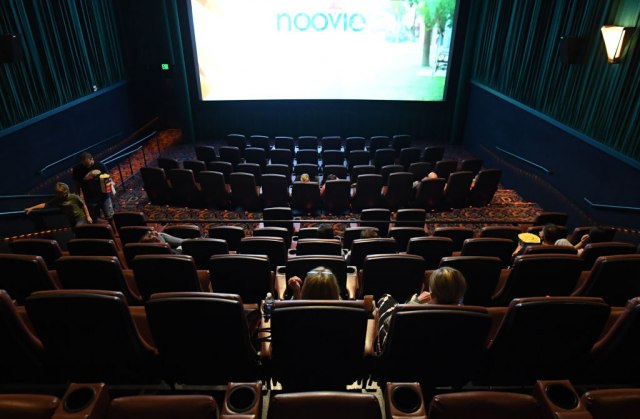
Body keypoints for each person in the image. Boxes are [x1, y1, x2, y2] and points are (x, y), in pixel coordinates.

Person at [376, 267, 467, 350]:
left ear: (432, 294)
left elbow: (389, 323)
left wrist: (417, 301)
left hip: (403, 352)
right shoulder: (469, 315)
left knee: (385, 298)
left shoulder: (417, 314)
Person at [72, 152, 115, 226]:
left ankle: (114, 231)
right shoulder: (77, 169)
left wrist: (111, 190)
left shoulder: (100, 166)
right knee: (94, 219)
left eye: (88, 164)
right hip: (90, 199)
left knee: (110, 216)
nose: (87, 166)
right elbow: (76, 184)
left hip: (104, 196)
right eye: (85, 164)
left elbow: (108, 179)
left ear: (92, 159)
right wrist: (77, 197)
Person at [25, 182, 92, 229]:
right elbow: (45, 204)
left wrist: (88, 216)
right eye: (57, 193)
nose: (58, 194)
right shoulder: (58, 199)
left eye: (60, 193)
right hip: (71, 219)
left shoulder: (74, 197)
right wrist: (31, 208)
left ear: (65, 191)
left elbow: (83, 205)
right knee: (76, 232)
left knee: (78, 229)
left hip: (80, 217)